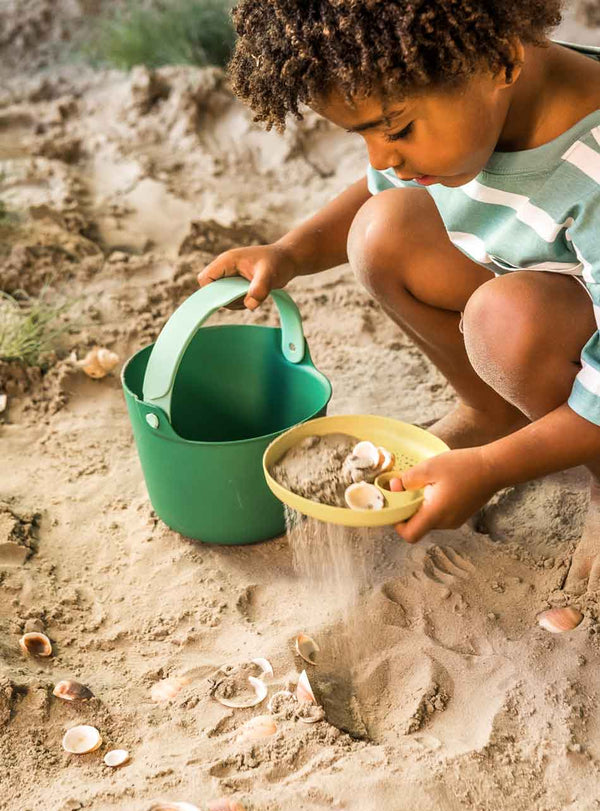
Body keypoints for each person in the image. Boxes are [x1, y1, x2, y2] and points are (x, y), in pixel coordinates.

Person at [197, 0, 600, 593]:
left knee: (507, 322)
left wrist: (489, 471)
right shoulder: (460, 93)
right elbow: (374, 191)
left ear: (501, 60)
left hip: (556, 325)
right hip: (558, 285)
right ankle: (493, 412)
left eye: (397, 129)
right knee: (383, 230)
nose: (381, 157)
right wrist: (290, 253)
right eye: (361, 136)